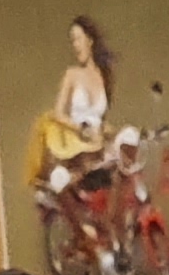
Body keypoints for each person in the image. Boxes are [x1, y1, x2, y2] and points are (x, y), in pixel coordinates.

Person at [32, 16, 113, 178]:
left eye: (78, 39)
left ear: (90, 41)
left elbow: (100, 118)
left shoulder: (103, 76)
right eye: (73, 41)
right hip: (75, 144)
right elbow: (58, 113)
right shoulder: (72, 75)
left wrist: (107, 131)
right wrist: (81, 130)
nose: (75, 45)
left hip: (96, 147)